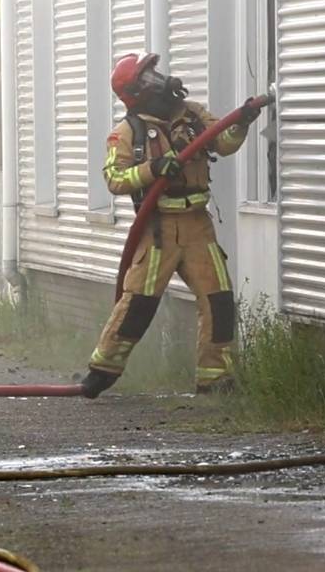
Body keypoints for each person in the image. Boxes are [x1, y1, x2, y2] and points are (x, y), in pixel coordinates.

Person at [79, 52, 261, 398]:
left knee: (219, 300)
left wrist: (242, 122)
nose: (160, 81)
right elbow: (115, 179)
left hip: (197, 227)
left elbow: (223, 142)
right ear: (136, 92)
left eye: (156, 73)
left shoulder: (191, 115)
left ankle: (215, 378)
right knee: (138, 304)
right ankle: (101, 371)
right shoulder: (127, 132)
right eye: (149, 78)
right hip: (158, 231)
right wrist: (153, 169)